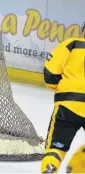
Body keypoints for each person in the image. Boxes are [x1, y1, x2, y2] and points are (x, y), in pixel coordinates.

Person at [40, 22, 85, 173]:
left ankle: (49, 169)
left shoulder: (72, 44)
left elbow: (50, 73)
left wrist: (61, 88)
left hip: (67, 106)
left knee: (55, 148)